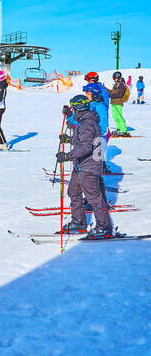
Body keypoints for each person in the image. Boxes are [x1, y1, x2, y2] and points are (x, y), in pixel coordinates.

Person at [57, 95, 113, 238]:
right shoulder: (85, 121)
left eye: (73, 107)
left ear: (77, 107)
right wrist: (69, 139)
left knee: (94, 197)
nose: (72, 110)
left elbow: (86, 146)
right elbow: (84, 141)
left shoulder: (87, 123)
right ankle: (79, 221)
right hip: (81, 165)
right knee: (73, 191)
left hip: (88, 166)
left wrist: (67, 156)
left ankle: (104, 227)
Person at [108, 71, 130, 136]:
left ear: (117, 77)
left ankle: (123, 130)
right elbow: (113, 92)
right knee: (115, 116)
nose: (114, 80)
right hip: (114, 102)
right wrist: (106, 90)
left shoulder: (121, 84)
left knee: (119, 116)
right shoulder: (117, 84)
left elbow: (119, 94)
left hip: (118, 102)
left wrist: (110, 96)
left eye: (114, 78)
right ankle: (119, 128)